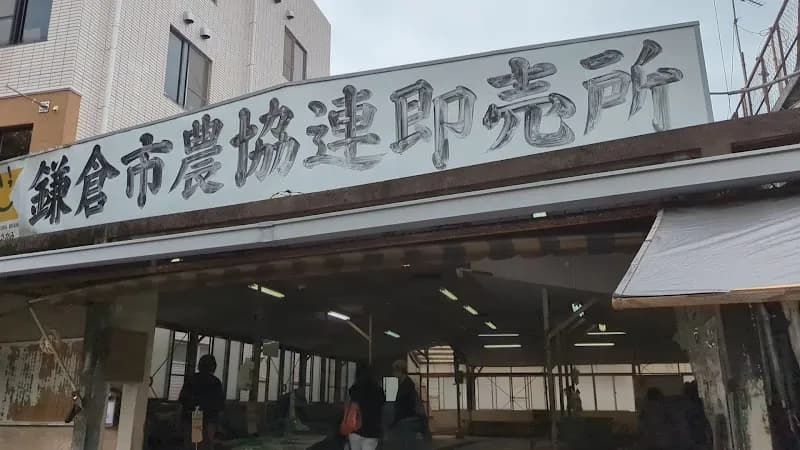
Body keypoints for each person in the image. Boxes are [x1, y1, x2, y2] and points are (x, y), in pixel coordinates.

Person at [179, 354, 225, 450]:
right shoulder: (215, 382)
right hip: (208, 421)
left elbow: (182, 400)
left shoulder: (191, 379)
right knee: (205, 445)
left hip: (191, 418)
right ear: (213, 367)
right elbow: (220, 406)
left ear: (199, 365)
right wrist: (218, 427)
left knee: (191, 445)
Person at [385, 360, 430, 450]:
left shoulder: (406, 386)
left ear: (399, 371)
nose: (393, 374)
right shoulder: (406, 384)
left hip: (407, 422)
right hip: (408, 421)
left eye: (394, 371)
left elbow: (402, 407)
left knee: (406, 445)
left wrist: (394, 421)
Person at [347, 365, 386, 450]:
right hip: (372, 431)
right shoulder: (378, 391)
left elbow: (348, 406)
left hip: (355, 429)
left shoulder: (354, 390)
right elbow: (382, 409)